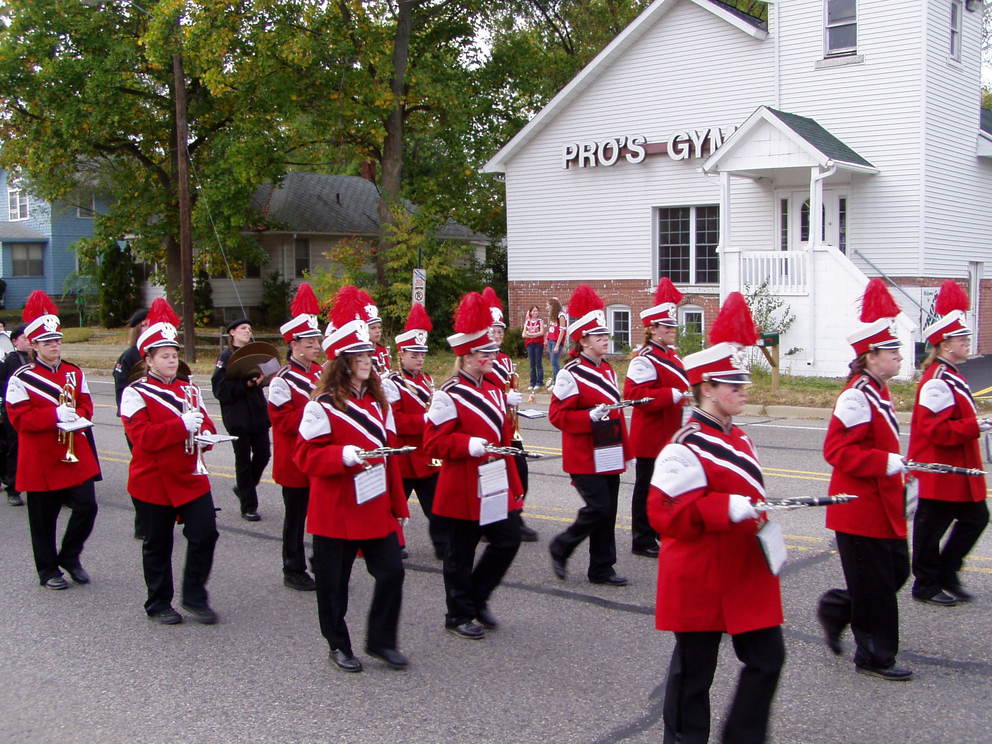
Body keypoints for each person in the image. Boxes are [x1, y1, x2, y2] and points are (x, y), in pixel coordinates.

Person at [648, 292, 784, 744]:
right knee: (694, 672)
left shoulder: (739, 435)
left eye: (744, 385)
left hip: (744, 568)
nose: (744, 392)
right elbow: (661, 513)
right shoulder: (684, 444)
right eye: (734, 386)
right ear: (707, 387)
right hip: (702, 572)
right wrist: (722, 508)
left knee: (768, 658)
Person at [295, 285, 409, 673]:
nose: (368, 360)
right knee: (333, 585)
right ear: (342, 362)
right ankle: (338, 644)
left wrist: (398, 504)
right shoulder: (320, 406)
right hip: (337, 508)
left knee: (392, 571)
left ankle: (380, 640)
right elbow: (305, 456)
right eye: (360, 356)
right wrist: (341, 455)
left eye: (368, 355)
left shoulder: (378, 403)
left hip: (374, 505)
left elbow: (389, 456)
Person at [816, 279, 912, 681]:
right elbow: (837, 452)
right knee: (876, 585)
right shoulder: (856, 396)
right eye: (892, 352)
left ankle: (839, 607)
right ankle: (874, 655)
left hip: (882, 503)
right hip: (858, 508)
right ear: (870, 357)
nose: (899, 357)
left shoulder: (878, 391)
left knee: (896, 574)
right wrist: (886, 463)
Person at [423, 291, 524, 640]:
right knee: (460, 553)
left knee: (508, 540)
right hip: (463, 482)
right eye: (485, 353)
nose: (492, 357)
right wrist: (467, 444)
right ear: (466, 357)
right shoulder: (447, 393)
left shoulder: (494, 387)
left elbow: (503, 435)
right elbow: (433, 442)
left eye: (492, 352)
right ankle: (458, 613)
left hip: (494, 478)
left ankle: (478, 597)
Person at [120, 298, 221, 625]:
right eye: (164, 356)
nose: (171, 360)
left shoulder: (188, 388)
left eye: (175, 355)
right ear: (148, 360)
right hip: (153, 479)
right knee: (158, 544)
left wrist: (205, 435)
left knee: (205, 533)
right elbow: (143, 439)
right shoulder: (135, 392)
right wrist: (181, 426)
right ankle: (158, 602)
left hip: (190, 474)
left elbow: (206, 424)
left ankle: (194, 595)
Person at [5, 291, 100, 590]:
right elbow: (19, 419)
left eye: (57, 341)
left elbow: (86, 403)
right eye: (48, 343)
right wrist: (55, 416)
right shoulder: (21, 377)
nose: (54, 347)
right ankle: (48, 570)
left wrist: (77, 415)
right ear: (34, 345)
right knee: (43, 520)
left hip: (75, 453)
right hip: (41, 457)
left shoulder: (74, 371)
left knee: (87, 507)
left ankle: (70, 556)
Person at [908, 280, 989, 605]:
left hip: (957, 468)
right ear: (943, 346)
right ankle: (927, 583)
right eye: (961, 339)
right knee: (931, 528)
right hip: (939, 469)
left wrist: (974, 423)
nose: (967, 342)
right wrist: (976, 425)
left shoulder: (952, 374)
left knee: (976, 518)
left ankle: (947, 572)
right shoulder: (937, 382)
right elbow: (937, 432)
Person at [548, 285, 629, 587]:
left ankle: (601, 568)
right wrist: (588, 416)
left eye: (606, 335)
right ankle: (562, 545)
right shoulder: (570, 373)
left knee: (609, 512)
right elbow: (557, 416)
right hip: (583, 454)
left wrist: (624, 451)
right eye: (599, 337)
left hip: (608, 449)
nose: (605, 340)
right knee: (598, 508)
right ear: (582, 341)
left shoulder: (608, 370)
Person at [623, 278, 688, 558]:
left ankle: (659, 528)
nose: (672, 330)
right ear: (652, 330)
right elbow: (635, 395)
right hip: (651, 434)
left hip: (669, 431)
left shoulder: (670, 355)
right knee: (647, 486)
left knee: (667, 484)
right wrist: (669, 395)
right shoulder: (644, 359)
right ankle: (642, 537)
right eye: (666, 327)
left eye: (673, 326)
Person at [268, 283, 324, 591]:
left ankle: (321, 560)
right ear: (294, 344)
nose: (316, 345)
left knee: (318, 511)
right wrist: (316, 414)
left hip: (317, 455)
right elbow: (281, 421)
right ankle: (293, 567)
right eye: (310, 340)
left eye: (317, 339)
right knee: (296, 517)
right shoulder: (282, 380)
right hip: (294, 459)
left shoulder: (319, 372)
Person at [386, 303, 447, 560]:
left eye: (422, 354)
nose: (420, 359)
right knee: (395, 504)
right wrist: (425, 420)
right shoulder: (390, 383)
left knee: (437, 505)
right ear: (401, 354)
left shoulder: (426, 380)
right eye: (414, 354)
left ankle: (443, 544)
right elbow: (395, 421)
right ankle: (393, 543)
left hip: (426, 453)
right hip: (403, 455)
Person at [483, 287, 538, 543]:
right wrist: (502, 398)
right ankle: (490, 523)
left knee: (520, 472)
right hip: (489, 428)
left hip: (509, 426)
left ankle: (516, 516)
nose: (496, 335)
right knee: (493, 475)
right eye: (492, 330)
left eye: (500, 331)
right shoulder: (479, 360)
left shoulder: (504, 359)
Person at [212, 317, 270, 521]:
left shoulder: (256, 354)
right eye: (243, 328)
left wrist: (263, 380)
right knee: (243, 460)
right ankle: (249, 505)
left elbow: (269, 373)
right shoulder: (226, 357)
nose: (248, 331)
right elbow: (220, 389)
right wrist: (245, 385)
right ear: (232, 332)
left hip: (258, 413)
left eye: (250, 328)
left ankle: (244, 488)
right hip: (238, 416)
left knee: (264, 455)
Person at [113, 308, 149, 539]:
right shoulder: (128, 356)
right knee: (143, 471)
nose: (148, 328)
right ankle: (142, 522)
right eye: (144, 325)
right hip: (137, 420)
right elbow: (120, 391)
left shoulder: (160, 352)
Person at [0, 324, 30, 506]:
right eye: (25, 338)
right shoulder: (9, 361)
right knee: (15, 449)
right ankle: (13, 489)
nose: (29, 342)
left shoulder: (37, 359)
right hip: (15, 412)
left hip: (36, 411)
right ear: (14, 341)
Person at [359, 290, 392, 376]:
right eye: (373, 328)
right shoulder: (358, 352)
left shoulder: (382, 350)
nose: (378, 331)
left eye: (379, 327)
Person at [522, 305, 545, 397]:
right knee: (532, 363)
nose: (535, 313)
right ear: (530, 312)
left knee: (538, 362)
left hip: (538, 344)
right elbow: (523, 334)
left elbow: (542, 332)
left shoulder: (540, 321)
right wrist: (533, 335)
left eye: (537, 311)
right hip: (530, 344)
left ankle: (539, 382)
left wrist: (531, 335)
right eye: (534, 311)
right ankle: (532, 382)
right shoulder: (527, 322)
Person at [546, 297, 567, 385]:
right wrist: (547, 340)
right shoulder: (551, 315)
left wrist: (557, 345)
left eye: (548, 305)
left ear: (553, 305)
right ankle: (555, 380)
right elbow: (550, 328)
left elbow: (562, 331)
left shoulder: (561, 315)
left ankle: (560, 381)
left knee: (555, 362)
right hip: (551, 339)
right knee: (553, 362)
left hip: (556, 341)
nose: (546, 307)